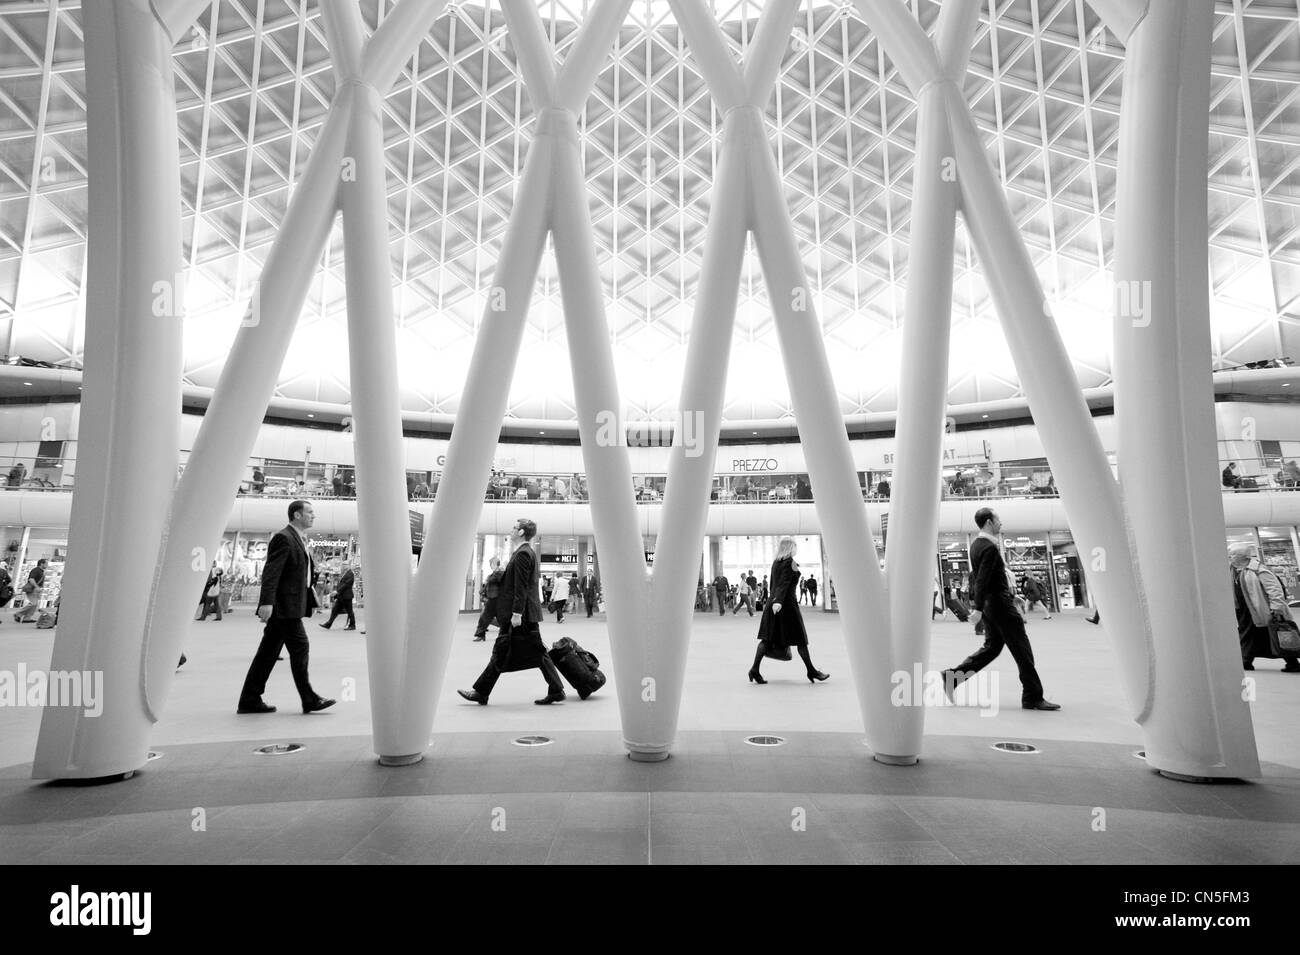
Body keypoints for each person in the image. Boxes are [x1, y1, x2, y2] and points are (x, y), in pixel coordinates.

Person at [942, 508, 1060, 710]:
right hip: (1000, 606)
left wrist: (982, 608)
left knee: (992, 648)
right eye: (998, 520)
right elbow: (982, 579)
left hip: (991, 606)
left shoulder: (976, 545)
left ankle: (952, 677)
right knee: (1022, 650)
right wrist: (977, 609)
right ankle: (1032, 696)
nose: (1001, 523)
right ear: (989, 522)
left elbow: (982, 579)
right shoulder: (988, 547)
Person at [236, 500, 335, 715]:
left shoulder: (299, 538)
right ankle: (308, 698)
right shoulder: (284, 537)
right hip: (284, 607)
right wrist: (267, 602)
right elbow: (272, 572)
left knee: (267, 653)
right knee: (300, 647)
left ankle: (249, 698)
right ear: (297, 515)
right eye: (309, 512)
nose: (313, 516)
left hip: (289, 605)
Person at [458, 518, 566, 705]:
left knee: (503, 650)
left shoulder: (523, 554)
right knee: (538, 652)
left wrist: (516, 614)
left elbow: (521, 587)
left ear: (522, 532)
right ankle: (556, 689)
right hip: (524, 614)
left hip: (520, 615)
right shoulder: (523, 552)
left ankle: (481, 692)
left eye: (514, 528)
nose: (511, 530)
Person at [750, 537, 827, 684]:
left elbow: (775, 585)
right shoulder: (790, 562)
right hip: (787, 606)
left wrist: (775, 601)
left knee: (767, 638)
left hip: (773, 605)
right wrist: (779, 601)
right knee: (800, 640)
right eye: (795, 546)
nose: (796, 549)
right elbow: (784, 584)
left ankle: (754, 669)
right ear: (791, 547)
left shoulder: (775, 563)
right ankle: (812, 671)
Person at [1230, 542, 1299, 672]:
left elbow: (1274, 589)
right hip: (1244, 611)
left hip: (1262, 610)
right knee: (1248, 635)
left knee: (1275, 634)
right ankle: (1246, 661)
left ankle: (1292, 662)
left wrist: (1276, 608)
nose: (1230, 557)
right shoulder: (1233, 570)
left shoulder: (1258, 569)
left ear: (1242, 556)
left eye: (1232, 555)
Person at [473, 557, 503, 641]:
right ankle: (480, 634)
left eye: (492, 564)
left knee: (488, 617)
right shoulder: (495, 573)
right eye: (490, 564)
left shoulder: (500, 573)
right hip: (492, 598)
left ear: (496, 564)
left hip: (496, 599)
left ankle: (481, 634)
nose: (490, 565)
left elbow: (501, 585)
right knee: (485, 617)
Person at [320, 562, 356, 630]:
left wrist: (337, 591)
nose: (341, 566)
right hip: (341, 596)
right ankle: (329, 624)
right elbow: (341, 584)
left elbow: (346, 584)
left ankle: (352, 625)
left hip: (347, 596)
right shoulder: (345, 573)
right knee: (335, 609)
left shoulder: (350, 573)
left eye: (343, 565)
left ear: (347, 566)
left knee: (349, 611)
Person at [13, 558, 46, 623]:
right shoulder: (36, 570)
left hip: (36, 589)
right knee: (33, 603)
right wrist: (37, 587)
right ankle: (18, 613)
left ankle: (27, 618)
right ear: (41, 563)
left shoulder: (41, 571)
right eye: (46, 563)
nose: (47, 565)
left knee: (35, 604)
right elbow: (31, 579)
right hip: (33, 589)